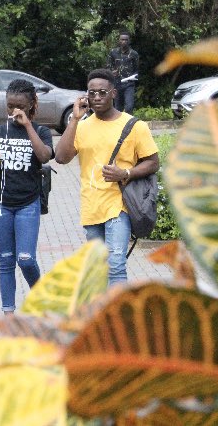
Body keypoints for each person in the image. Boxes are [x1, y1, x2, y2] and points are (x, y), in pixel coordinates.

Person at [54, 69, 158, 286]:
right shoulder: (82, 126)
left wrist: (126, 173)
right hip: (91, 206)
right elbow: (61, 157)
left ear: (114, 93)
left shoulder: (135, 126)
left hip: (119, 205)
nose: (97, 97)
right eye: (92, 93)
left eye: (102, 92)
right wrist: (74, 119)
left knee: (116, 264)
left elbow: (152, 162)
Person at [0, 79, 53, 314]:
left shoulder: (41, 131)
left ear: (31, 105)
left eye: (20, 106)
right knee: (6, 260)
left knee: (26, 259)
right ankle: (8, 314)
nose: (14, 111)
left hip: (27, 204)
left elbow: (45, 156)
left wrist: (27, 125)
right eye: (10, 106)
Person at [106, 31, 139, 113]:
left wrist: (134, 77)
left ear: (129, 41)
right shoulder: (113, 52)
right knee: (118, 108)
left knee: (129, 106)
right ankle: (119, 121)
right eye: (122, 39)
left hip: (129, 84)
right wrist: (112, 72)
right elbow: (108, 66)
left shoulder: (134, 54)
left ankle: (129, 120)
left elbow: (136, 69)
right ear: (119, 40)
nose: (124, 41)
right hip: (117, 83)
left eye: (126, 40)